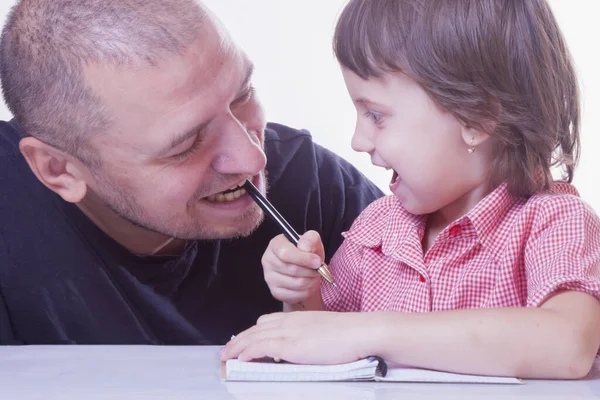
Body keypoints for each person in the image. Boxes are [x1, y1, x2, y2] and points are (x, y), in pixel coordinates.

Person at [222, 0, 600, 379]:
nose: (358, 140)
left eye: (376, 115)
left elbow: (568, 345)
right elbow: (331, 345)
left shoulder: (553, 223)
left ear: (477, 117)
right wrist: (303, 296)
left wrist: (371, 331)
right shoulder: (375, 232)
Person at [0, 0, 383, 345]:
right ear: (60, 170)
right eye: (186, 145)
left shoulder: (314, 184)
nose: (253, 160)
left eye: (243, 93)